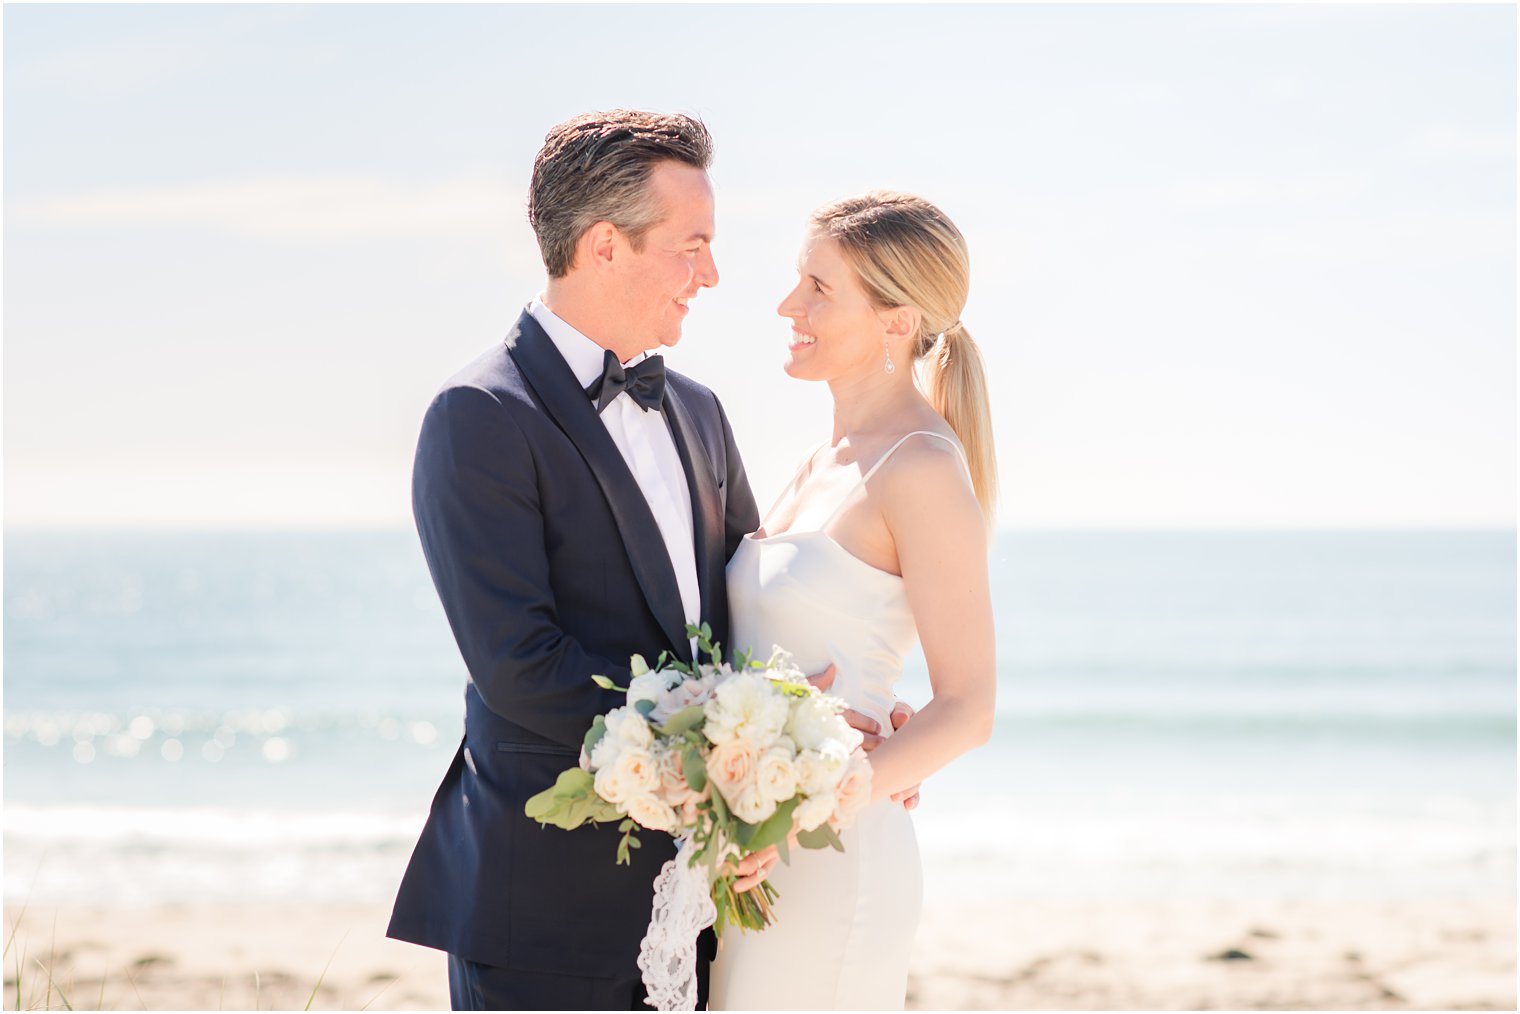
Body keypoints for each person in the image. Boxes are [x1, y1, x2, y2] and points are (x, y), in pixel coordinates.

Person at [385, 110, 906, 1011]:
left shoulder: (698, 411)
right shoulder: (478, 416)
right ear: (603, 247)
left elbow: (748, 617)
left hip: (705, 900)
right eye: (691, 245)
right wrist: (736, 734)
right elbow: (521, 668)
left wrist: (831, 727)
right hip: (543, 915)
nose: (712, 274)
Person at [709, 192, 999, 1010]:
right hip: (756, 846)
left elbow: (969, 708)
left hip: (831, 857)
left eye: (818, 288)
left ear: (896, 321)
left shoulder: (921, 469)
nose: (787, 306)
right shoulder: (817, 463)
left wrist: (803, 810)